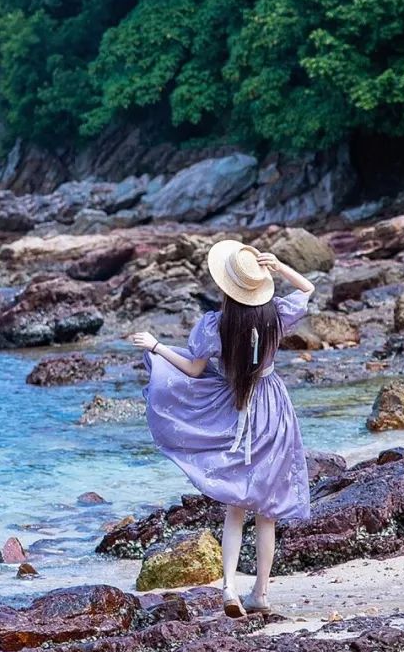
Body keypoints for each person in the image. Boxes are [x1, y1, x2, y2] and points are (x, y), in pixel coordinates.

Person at [131, 239, 315, 617]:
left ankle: (229, 589)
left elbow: (193, 370)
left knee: (235, 508)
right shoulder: (275, 316)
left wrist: (156, 347)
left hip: (234, 408)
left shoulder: (216, 325)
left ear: (227, 287)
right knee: (267, 512)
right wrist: (279, 265)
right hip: (272, 409)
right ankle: (260, 593)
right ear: (259, 283)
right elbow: (308, 289)